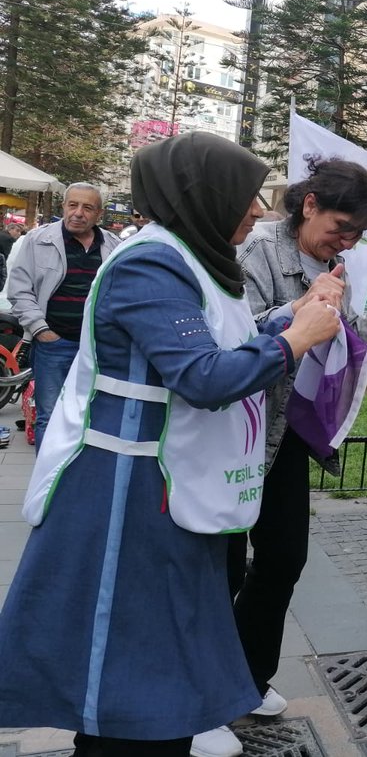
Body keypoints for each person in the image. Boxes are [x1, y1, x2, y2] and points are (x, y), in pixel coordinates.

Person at [0, 132, 340, 756]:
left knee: (157, 652)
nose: (260, 211)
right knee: (126, 662)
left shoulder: (189, 258)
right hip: (125, 499)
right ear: (204, 196)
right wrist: (295, 339)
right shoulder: (150, 263)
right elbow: (202, 375)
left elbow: (217, 337)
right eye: (247, 197)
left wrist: (288, 319)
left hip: (165, 487)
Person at [225, 158, 367, 749]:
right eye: (341, 226)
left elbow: (341, 339)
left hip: (288, 431)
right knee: (219, 566)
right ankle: (209, 690)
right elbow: (235, 340)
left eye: (355, 235)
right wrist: (300, 310)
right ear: (309, 203)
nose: (345, 242)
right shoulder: (256, 252)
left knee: (283, 558)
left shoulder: (325, 263)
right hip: (236, 434)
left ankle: (248, 675)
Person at [8, 182, 120, 451]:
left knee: (92, 416)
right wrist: (41, 331)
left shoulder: (114, 245)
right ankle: (47, 488)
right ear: (64, 207)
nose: (78, 213)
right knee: (49, 416)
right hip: (53, 346)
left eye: (87, 207)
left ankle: (78, 484)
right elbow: (19, 291)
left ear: (99, 215)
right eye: (73, 205)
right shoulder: (38, 240)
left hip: (96, 348)